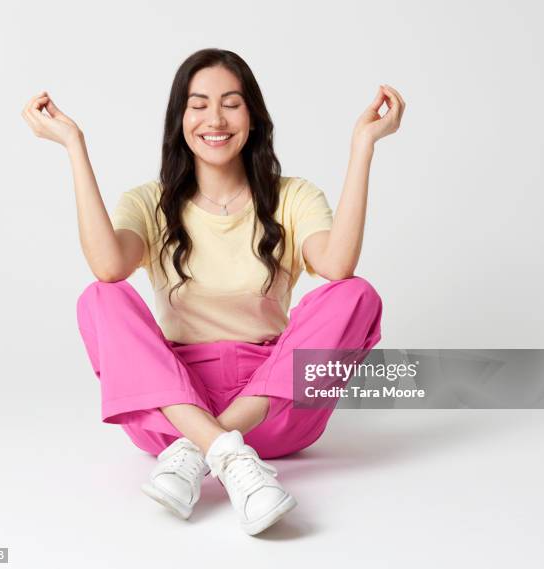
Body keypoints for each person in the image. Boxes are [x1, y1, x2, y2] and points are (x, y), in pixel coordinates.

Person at [21, 48, 405, 536]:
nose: (215, 118)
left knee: (356, 294)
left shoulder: (292, 196)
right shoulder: (150, 202)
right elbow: (108, 265)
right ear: (180, 118)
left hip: (273, 404)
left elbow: (338, 264)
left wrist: (363, 145)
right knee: (101, 296)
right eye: (198, 104)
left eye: (231, 102)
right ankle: (224, 452)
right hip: (174, 401)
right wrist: (74, 146)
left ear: (253, 116)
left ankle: (197, 450)